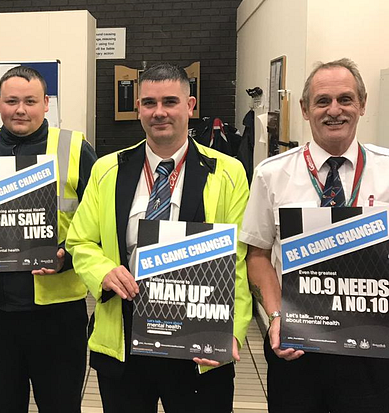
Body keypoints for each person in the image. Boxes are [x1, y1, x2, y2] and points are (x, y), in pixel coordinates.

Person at [66, 63, 252, 413]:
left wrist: (234, 331)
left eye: (170, 101)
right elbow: (80, 241)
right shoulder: (108, 170)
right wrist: (103, 271)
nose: (159, 112)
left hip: (198, 344)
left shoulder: (228, 172)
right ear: (138, 108)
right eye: (149, 103)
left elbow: (238, 261)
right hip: (124, 340)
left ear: (190, 105)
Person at [241, 58, 389, 413]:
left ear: (362, 105)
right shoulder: (271, 174)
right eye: (322, 101)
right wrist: (277, 319)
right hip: (295, 346)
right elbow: (258, 256)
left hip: (372, 348)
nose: (334, 110)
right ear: (305, 109)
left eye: (345, 99)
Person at [0, 65, 97, 412]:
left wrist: (66, 255)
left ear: (46, 103)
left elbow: (99, 219)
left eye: (30, 101)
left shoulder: (75, 148)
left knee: (60, 405)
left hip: (57, 312)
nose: (20, 109)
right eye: (12, 101)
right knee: (0, 404)